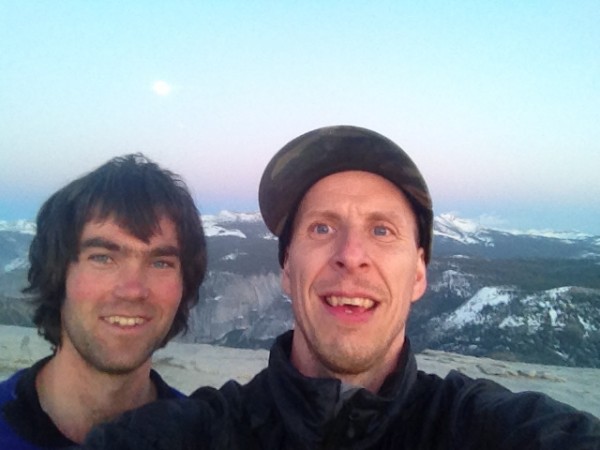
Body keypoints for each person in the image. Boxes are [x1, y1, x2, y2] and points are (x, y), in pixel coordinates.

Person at [84, 127, 600, 449]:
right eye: (322, 228)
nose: (351, 254)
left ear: (419, 273)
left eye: (382, 230)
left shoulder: (488, 428)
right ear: (286, 270)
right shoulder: (190, 433)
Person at [0, 153, 207, 449]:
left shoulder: (203, 437)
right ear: (58, 275)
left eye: (160, 263)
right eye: (103, 258)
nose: (133, 290)